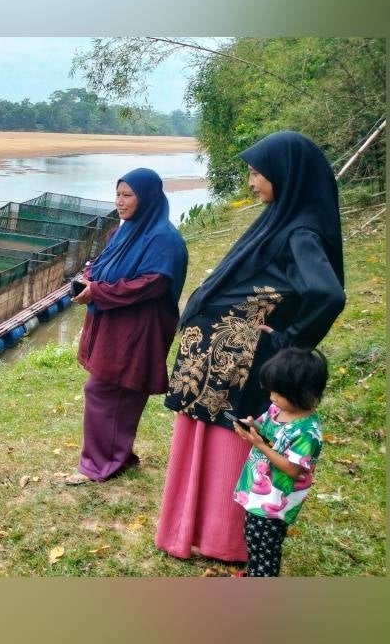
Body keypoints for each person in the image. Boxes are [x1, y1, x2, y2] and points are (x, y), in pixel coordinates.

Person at [156, 130, 346, 562]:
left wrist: (286, 341)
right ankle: (194, 529)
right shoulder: (281, 218)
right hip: (224, 364)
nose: (250, 182)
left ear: (285, 174)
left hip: (242, 367)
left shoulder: (301, 232)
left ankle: (222, 540)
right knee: (208, 439)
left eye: (257, 173)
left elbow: (328, 295)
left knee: (229, 443)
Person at [65, 167, 188, 485]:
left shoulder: (164, 239)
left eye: (127, 195)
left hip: (139, 329)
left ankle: (98, 465)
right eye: (117, 194)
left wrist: (100, 291)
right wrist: (88, 279)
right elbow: (102, 262)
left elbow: (153, 284)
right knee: (118, 388)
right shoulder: (124, 231)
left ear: (147, 198)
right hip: (115, 324)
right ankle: (118, 455)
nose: (119, 202)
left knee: (106, 389)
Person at [232, 347, 328, 576]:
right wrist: (252, 425)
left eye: (278, 393)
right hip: (259, 491)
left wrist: (260, 445)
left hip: (277, 500)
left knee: (266, 547)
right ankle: (254, 573)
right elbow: (265, 427)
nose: (272, 397)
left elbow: (292, 469)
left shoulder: (307, 432)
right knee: (253, 537)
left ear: (303, 393)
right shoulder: (278, 410)